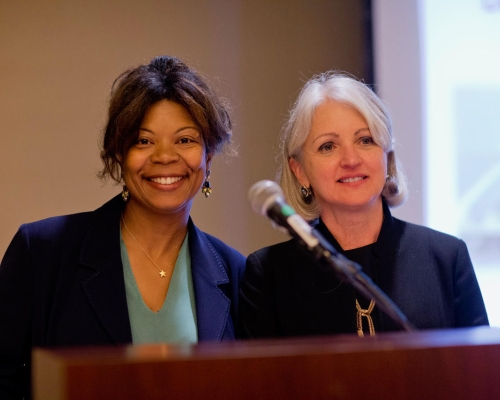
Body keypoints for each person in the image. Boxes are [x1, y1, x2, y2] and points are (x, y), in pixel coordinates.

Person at [0, 55, 245, 399]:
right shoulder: (41, 253)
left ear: (208, 157)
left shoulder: (236, 273)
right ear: (119, 153)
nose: (164, 156)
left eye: (185, 140)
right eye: (143, 141)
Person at [239, 71, 489, 339]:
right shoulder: (269, 273)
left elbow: (481, 371)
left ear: (387, 156)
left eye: (365, 140)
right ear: (299, 170)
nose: (350, 159)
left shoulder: (446, 257)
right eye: (328, 146)